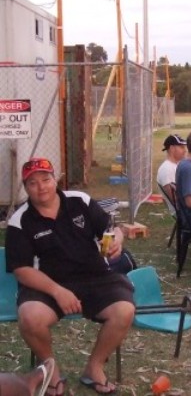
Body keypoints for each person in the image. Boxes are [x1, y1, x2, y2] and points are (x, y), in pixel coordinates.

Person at [5, 158, 135, 395]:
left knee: (124, 310)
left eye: (46, 179)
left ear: (56, 179)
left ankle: (94, 368)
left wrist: (117, 236)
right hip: (47, 284)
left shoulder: (80, 201)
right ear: (26, 188)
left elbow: (111, 228)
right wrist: (58, 291)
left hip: (95, 276)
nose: (41, 186)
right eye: (33, 183)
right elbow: (22, 270)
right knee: (30, 318)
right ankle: (51, 370)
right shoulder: (19, 221)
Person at [156, 134, 187, 214]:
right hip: (184, 213)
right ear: (172, 148)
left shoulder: (178, 165)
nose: (185, 150)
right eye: (181, 147)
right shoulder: (167, 169)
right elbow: (175, 198)